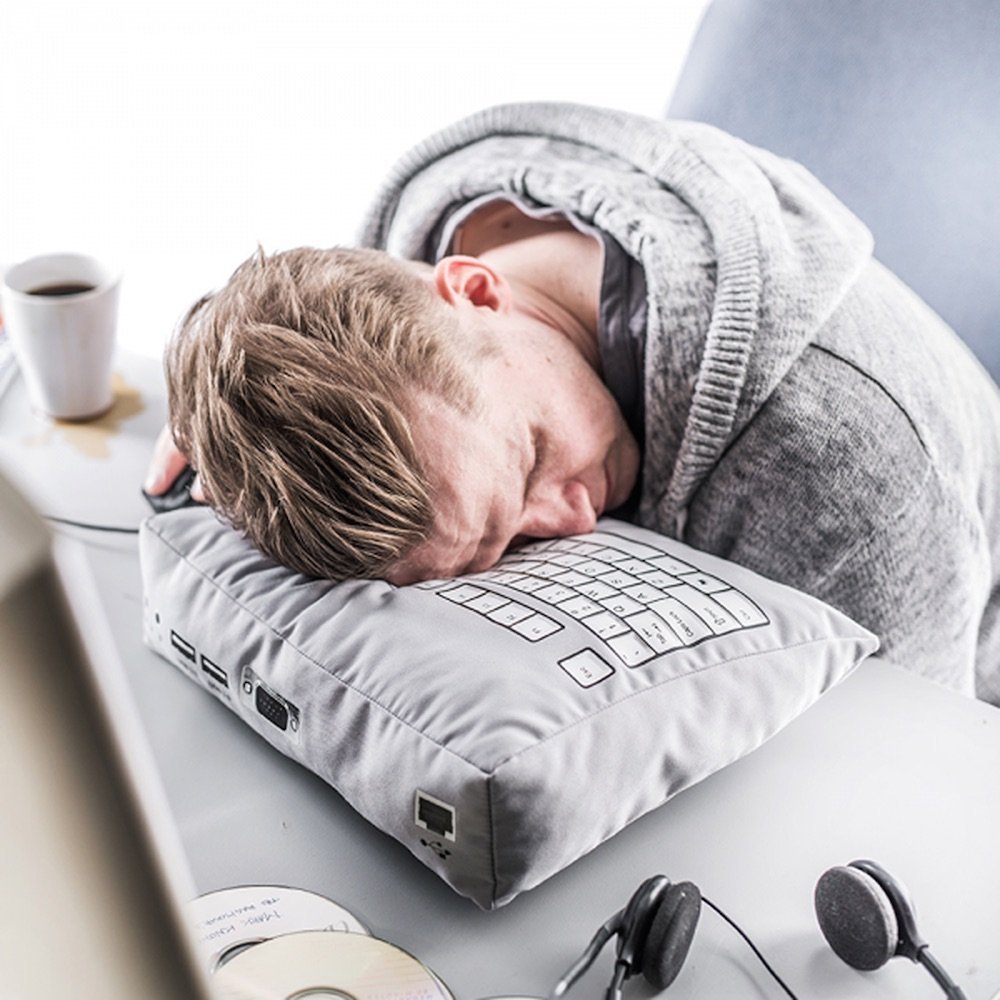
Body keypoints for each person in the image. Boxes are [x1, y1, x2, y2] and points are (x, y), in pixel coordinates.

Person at [146, 102, 1000, 704]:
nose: (572, 523)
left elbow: (920, 767)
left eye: (532, 460)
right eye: (507, 541)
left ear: (478, 291)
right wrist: (232, 400)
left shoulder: (844, 478)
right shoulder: (442, 268)